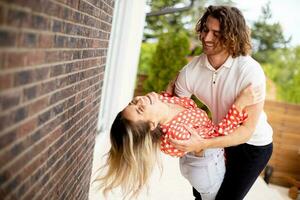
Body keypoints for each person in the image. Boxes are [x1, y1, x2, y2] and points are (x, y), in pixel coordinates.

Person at [168, 5, 273, 200]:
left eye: (217, 33)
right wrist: (167, 99)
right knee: (202, 195)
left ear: (233, 36)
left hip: (252, 145)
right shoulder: (190, 72)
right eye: (205, 30)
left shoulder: (249, 71)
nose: (207, 38)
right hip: (219, 135)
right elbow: (178, 112)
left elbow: (245, 131)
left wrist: (204, 143)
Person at [97, 84, 263, 200]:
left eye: (133, 102)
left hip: (201, 160)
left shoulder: (163, 102)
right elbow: (219, 135)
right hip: (208, 175)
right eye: (140, 109)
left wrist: (170, 94)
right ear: (152, 125)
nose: (140, 101)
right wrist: (239, 104)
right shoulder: (178, 135)